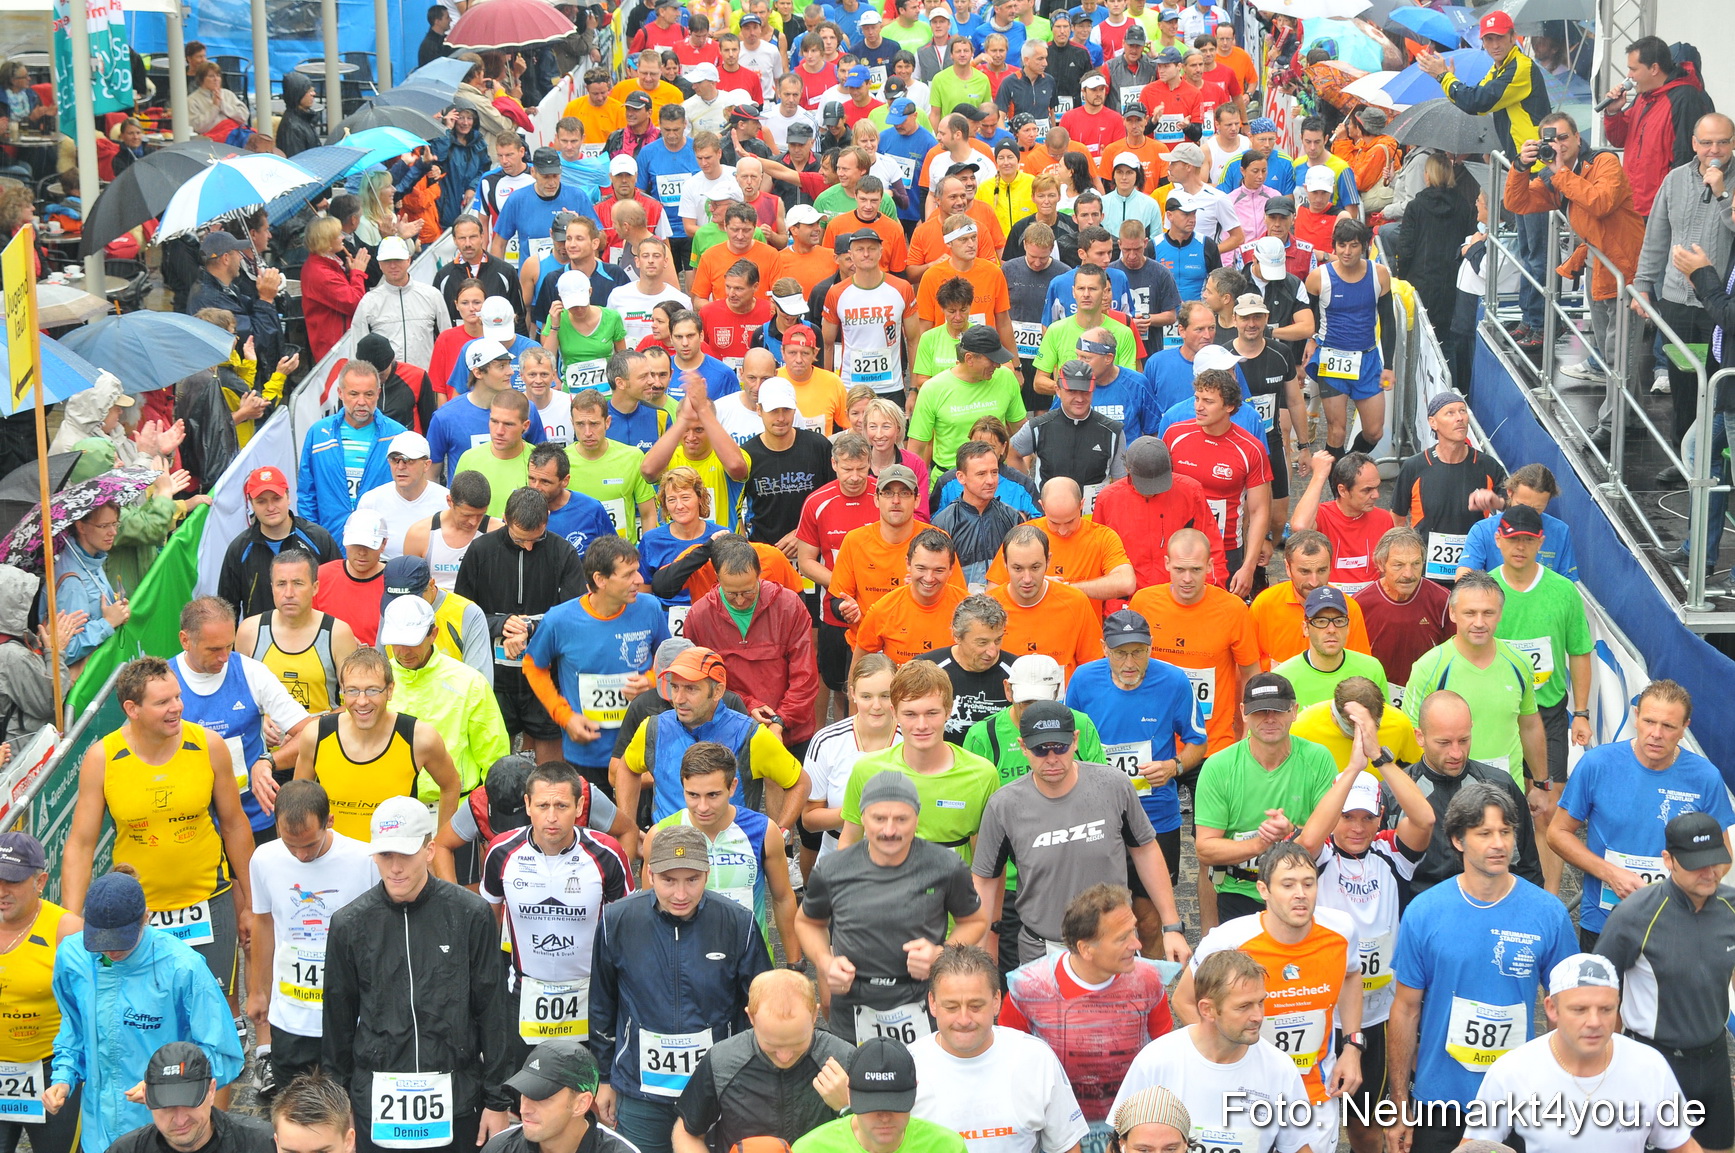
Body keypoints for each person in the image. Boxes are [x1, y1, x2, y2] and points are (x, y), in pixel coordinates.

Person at [1386, 782, 1576, 1153]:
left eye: (1506, 832)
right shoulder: (1424, 912)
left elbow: (1565, 1008)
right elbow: (1406, 1009)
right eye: (1484, 833)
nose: (1499, 844)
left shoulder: (1547, 913)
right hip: (1439, 1100)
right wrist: (1399, 1106)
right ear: (1458, 840)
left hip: (1516, 1101)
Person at [320, 796, 514, 1153]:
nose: (394, 867)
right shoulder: (349, 924)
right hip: (376, 1100)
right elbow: (337, 1021)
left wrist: (498, 1101)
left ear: (429, 850)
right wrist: (338, 1106)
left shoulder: (470, 915)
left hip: (457, 1098)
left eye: (405, 855)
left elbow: (494, 1010)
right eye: (385, 856)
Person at [61, 656, 255, 1006]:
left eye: (177, 697)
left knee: (215, 1007)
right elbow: (80, 843)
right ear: (132, 709)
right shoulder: (102, 757)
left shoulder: (209, 745)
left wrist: (254, 904)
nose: (176, 708)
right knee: (147, 1012)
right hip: (137, 914)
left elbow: (235, 825)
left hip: (207, 903)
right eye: (163, 702)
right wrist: (72, 920)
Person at [1170, 839, 1363, 1153]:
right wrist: (1227, 1056)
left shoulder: (1341, 931)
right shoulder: (1230, 939)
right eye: (1287, 885)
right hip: (1243, 1096)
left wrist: (1353, 1046)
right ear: (1263, 890)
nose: (1300, 894)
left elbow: (1353, 976)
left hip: (1312, 1094)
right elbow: (1184, 1000)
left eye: (1308, 883)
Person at [590, 824, 769, 1153]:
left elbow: (760, 1007)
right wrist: (603, 1078)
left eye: (692, 880)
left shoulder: (738, 923)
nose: (681, 894)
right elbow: (602, 1004)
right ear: (650, 874)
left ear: (707, 873)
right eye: (669, 881)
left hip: (717, 1089)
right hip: (640, 1093)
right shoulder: (617, 920)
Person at [973, 697, 1190, 967]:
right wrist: (981, 950)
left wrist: (1171, 927)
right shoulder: (1004, 805)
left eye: (1060, 747)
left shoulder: (1113, 785)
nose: (1052, 759)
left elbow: (1145, 850)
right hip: (1043, 951)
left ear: (1075, 740)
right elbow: (984, 880)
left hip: (1113, 947)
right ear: (1023, 747)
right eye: (1040, 749)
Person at [1297, 735, 1434, 1153]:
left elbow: (1425, 819)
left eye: (1366, 818)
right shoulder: (1318, 858)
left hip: (1377, 1016)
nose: (1356, 827)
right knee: (1305, 1126)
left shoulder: (1392, 853)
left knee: (1366, 1128)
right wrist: (1352, 770)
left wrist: (1380, 759)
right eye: (1346, 816)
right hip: (1321, 1014)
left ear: (1380, 819)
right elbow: (1306, 841)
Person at [797, 769, 989, 1044]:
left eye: (901, 819)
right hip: (853, 1001)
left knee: (923, 1084)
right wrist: (825, 963)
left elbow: (974, 921)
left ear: (917, 818)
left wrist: (941, 953)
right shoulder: (832, 868)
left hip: (923, 998)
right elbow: (808, 922)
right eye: (879, 819)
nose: (889, 830)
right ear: (862, 817)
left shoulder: (944, 866)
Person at [1550, 680, 1731, 949]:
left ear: (1684, 728)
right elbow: (1556, 833)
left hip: (1674, 926)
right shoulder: (1598, 765)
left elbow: (1723, 856)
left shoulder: (1704, 778)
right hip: (1606, 923)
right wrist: (1609, 873)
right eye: (1649, 721)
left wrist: (1684, 890)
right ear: (1636, 717)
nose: (1656, 733)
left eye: (1668, 726)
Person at [1463, 952, 1703, 1152]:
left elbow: (1683, 1146)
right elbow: (1473, 1146)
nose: (1594, 1022)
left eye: (1606, 1009)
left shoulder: (1650, 1067)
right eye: (1579, 1009)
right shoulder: (1513, 1071)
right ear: (1552, 1009)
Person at [1597, 810, 1735, 1153]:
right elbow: (1600, 996)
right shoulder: (1633, 916)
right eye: (1696, 863)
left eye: (1716, 861)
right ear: (1668, 860)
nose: (1709, 872)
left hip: (1715, 1060)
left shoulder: (1731, 907)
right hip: (1654, 1062)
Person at [1416, 10, 1552, 351]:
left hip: (1537, 171)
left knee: (1535, 253)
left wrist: (1442, 78)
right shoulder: (1504, 65)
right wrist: (1450, 80)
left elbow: (1478, 101)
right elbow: (1476, 96)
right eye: (1488, 39)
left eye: (1498, 38)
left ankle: (1538, 323)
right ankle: (1530, 319)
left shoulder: (1520, 67)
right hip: (1523, 168)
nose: (1493, 44)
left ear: (1512, 37)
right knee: (1527, 251)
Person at [479, 760, 631, 1049]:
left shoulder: (607, 854)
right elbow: (489, 926)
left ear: (579, 805)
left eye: (561, 806)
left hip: (591, 994)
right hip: (522, 993)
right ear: (527, 804)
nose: (551, 817)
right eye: (542, 806)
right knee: (523, 1089)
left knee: (589, 1088)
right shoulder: (501, 851)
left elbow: (626, 931)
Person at [243, 781, 377, 1096]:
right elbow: (263, 925)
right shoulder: (264, 859)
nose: (301, 856)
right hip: (291, 1017)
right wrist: (258, 990)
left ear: (329, 821)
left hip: (348, 1018)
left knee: (347, 1107)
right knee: (295, 1108)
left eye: (310, 845)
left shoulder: (364, 860)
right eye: (290, 845)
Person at [1109, 949, 1312, 1153]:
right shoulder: (1156, 1061)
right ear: (1207, 1009)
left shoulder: (1280, 1068)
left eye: (1260, 1002)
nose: (1258, 1016)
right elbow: (1118, 1142)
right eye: (1244, 1006)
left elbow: (1297, 1147)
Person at [908, 944, 1088, 1153]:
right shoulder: (908, 1065)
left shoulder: (1035, 1058)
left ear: (996, 1001)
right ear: (932, 1002)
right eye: (951, 1007)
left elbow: (1066, 1147)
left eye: (976, 1006)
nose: (964, 1019)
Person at [1192, 672, 1337, 924]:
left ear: (1294, 711)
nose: (1269, 719)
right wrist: (1261, 844)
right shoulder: (1218, 766)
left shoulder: (1319, 759)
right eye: (1260, 711)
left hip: (1303, 894)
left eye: (1278, 711)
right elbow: (1205, 849)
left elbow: (1333, 839)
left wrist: (1290, 833)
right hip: (1239, 891)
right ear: (1244, 712)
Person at [522, 535, 668, 785]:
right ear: (600, 580)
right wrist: (565, 717)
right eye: (629, 574)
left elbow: (669, 661)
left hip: (642, 746)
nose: (640, 580)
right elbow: (533, 667)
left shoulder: (650, 608)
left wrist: (652, 681)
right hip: (588, 751)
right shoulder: (559, 619)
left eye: (638, 570)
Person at [613, 645, 809, 829]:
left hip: (731, 856)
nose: (679, 699)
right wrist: (628, 828)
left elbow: (800, 782)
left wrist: (778, 833)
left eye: (691, 688)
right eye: (675, 687)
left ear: (718, 692)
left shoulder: (750, 735)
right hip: (669, 854)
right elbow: (626, 769)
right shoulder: (653, 728)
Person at [455, 489, 586, 763]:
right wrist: (502, 625)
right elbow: (462, 613)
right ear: (504, 519)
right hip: (495, 678)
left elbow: (575, 615)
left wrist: (530, 628)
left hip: (545, 676)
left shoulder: (563, 552)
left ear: (548, 519)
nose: (528, 546)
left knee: (551, 765)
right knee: (496, 760)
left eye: (536, 538)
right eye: (519, 539)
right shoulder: (480, 551)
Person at [644, 741, 802, 963]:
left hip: (748, 958)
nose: (703, 807)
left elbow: (783, 898)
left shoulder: (763, 830)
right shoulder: (661, 835)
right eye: (693, 795)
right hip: (685, 962)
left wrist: (796, 963)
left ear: (733, 786)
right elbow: (648, 909)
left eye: (713, 795)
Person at [170, 595, 314, 838]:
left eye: (229, 646)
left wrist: (269, 761)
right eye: (214, 649)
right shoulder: (164, 681)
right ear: (185, 640)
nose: (224, 657)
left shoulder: (251, 671)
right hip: (189, 825)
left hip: (254, 818)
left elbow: (311, 733)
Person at [290, 646, 462, 845]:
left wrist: (440, 847)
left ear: (390, 690)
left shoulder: (419, 737)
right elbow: (298, 800)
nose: (362, 701)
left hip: (395, 864)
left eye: (372, 690)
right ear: (342, 691)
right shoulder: (317, 735)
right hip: (334, 861)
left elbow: (451, 785)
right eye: (353, 691)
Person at [1402, 572, 1548, 805]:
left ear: (1500, 614)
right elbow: (1410, 736)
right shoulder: (1428, 667)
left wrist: (1541, 784)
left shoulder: (1520, 663)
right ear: (1452, 613)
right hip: (1447, 798)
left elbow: (1529, 725)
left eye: (1488, 613)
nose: (1479, 622)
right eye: (1470, 613)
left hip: (1507, 795)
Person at [673, 969, 851, 1153]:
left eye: (798, 1043)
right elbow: (687, 1133)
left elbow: (877, 1139)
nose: (784, 1056)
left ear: (815, 1015)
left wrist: (847, 1107)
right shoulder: (723, 1061)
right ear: (751, 1017)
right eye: (771, 1044)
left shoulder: (842, 1059)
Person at [0, 832, 82, 1153]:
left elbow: (91, 1009)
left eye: (12, 881)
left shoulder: (66, 930)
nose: (2, 891)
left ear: (40, 881)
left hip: (52, 1072)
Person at [1389, 393, 1506, 585]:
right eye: (1450, 413)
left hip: (1474, 572)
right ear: (1433, 422)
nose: (1459, 418)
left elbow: (1514, 503)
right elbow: (1397, 519)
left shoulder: (1487, 466)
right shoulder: (1414, 466)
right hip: (1426, 573)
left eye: (1462, 411)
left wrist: (1497, 501)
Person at [1603, 35, 1717, 218]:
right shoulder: (1643, 97)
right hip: (1634, 204)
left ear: (1654, 68)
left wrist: (1673, 206)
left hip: (1661, 208)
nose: (1629, 76)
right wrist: (1613, 112)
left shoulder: (1685, 98)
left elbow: (1686, 157)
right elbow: (1618, 139)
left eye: (1633, 69)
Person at [297, 363, 408, 540]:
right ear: (340, 393)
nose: (362, 402)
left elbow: (409, 492)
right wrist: (312, 539)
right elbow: (307, 493)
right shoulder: (318, 434)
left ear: (378, 394)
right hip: (331, 542)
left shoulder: (398, 436)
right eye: (354, 394)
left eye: (369, 394)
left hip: (380, 543)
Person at [220, 467, 342, 621]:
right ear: (251, 503)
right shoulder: (239, 549)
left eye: (276, 498)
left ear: (288, 497)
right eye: (261, 501)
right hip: (260, 640)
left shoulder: (318, 538)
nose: (270, 507)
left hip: (313, 637)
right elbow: (227, 608)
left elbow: (338, 591)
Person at [1354, 528, 1451, 700]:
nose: (1408, 574)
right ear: (1381, 564)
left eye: (1416, 564)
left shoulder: (1442, 600)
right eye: (1398, 565)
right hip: (1375, 698)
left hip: (1427, 696)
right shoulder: (1360, 604)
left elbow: (1453, 656)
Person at [1289, 451, 1393, 593]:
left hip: (1368, 602)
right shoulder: (1322, 515)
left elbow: (1386, 570)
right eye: (1367, 490)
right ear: (1343, 490)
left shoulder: (1384, 519)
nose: (1376, 495)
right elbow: (1300, 526)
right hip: (1327, 599)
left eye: (1377, 487)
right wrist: (1319, 476)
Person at [1273, 586, 1390, 709]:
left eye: (1339, 621)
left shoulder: (1371, 669)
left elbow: (1385, 722)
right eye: (1321, 621)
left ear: (1348, 627)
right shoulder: (1283, 678)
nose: (1331, 630)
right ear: (1306, 628)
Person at [353, 236, 451, 371]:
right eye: (387, 261)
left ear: (408, 260)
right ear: (379, 264)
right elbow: (357, 350)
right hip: (386, 385)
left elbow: (447, 341)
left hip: (426, 381)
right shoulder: (368, 302)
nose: (393, 265)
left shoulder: (432, 296)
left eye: (398, 260)